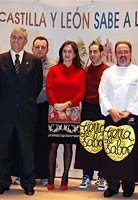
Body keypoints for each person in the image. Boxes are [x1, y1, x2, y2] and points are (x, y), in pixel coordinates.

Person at [0, 27, 43, 196]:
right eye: (13, 37)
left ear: (25, 41)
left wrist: (24, 102)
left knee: (27, 150)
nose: (16, 40)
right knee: (3, 149)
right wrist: (8, 103)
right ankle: (3, 182)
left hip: (26, 113)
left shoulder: (34, 61)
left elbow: (36, 87)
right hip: (5, 113)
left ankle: (28, 183)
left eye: (20, 38)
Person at [98, 41, 138, 198]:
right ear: (115, 54)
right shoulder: (108, 73)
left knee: (129, 153)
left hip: (130, 117)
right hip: (112, 116)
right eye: (120, 52)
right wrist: (111, 110)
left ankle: (128, 185)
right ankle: (112, 185)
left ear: (130, 54)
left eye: (125, 52)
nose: (123, 55)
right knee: (111, 152)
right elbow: (102, 93)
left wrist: (128, 111)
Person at [14, 36, 57, 187]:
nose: (39, 50)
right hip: (26, 107)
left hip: (45, 107)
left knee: (43, 143)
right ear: (32, 48)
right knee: (24, 141)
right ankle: (22, 174)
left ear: (47, 49)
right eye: (37, 47)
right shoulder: (25, 63)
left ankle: (43, 174)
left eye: (43, 47)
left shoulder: (53, 66)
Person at [46, 40, 85, 191]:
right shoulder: (54, 70)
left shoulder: (79, 72)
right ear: (61, 53)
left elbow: (81, 92)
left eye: (70, 51)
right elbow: (49, 88)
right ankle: (50, 178)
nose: (67, 54)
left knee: (68, 145)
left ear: (74, 54)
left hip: (72, 111)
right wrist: (57, 106)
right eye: (64, 51)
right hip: (54, 109)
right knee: (53, 145)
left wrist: (66, 105)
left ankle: (65, 177)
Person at [74, 41, 108, 191]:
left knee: (101, 144)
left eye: (95, 51)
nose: (93, 54)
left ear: (102, 53)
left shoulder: (108, 71)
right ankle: (86, 175)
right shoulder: (85, 71)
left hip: (102, 109)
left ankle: (102, 176)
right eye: (90, 52)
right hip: (87, 109)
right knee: (86, 144)